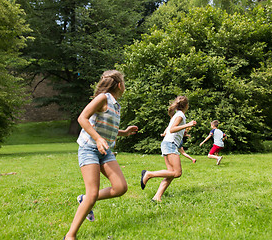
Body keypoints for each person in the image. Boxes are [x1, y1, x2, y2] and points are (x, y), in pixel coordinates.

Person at [64, 70, 138, 240]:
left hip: (105, 152)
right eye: (124, 82)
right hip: (89, 148)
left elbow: (107, 129)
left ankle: (84, 199)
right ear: (119, 85)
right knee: (93, 193)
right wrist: (97, 139)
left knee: (120, 187)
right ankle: (70, 235)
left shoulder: (115, 105)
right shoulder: (103, 98)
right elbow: (82, 118)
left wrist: (124, 133)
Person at [140, 96, 197, 202]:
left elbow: (168, 130)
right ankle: (148, 174)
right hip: (170, 144)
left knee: (170, 173)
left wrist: (182, 132)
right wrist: (187, 125)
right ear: (186, 106)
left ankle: (157, 197)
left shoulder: (177, 115)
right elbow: (172, 129)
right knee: (177, 173)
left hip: (167, 143)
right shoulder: (180, 115)